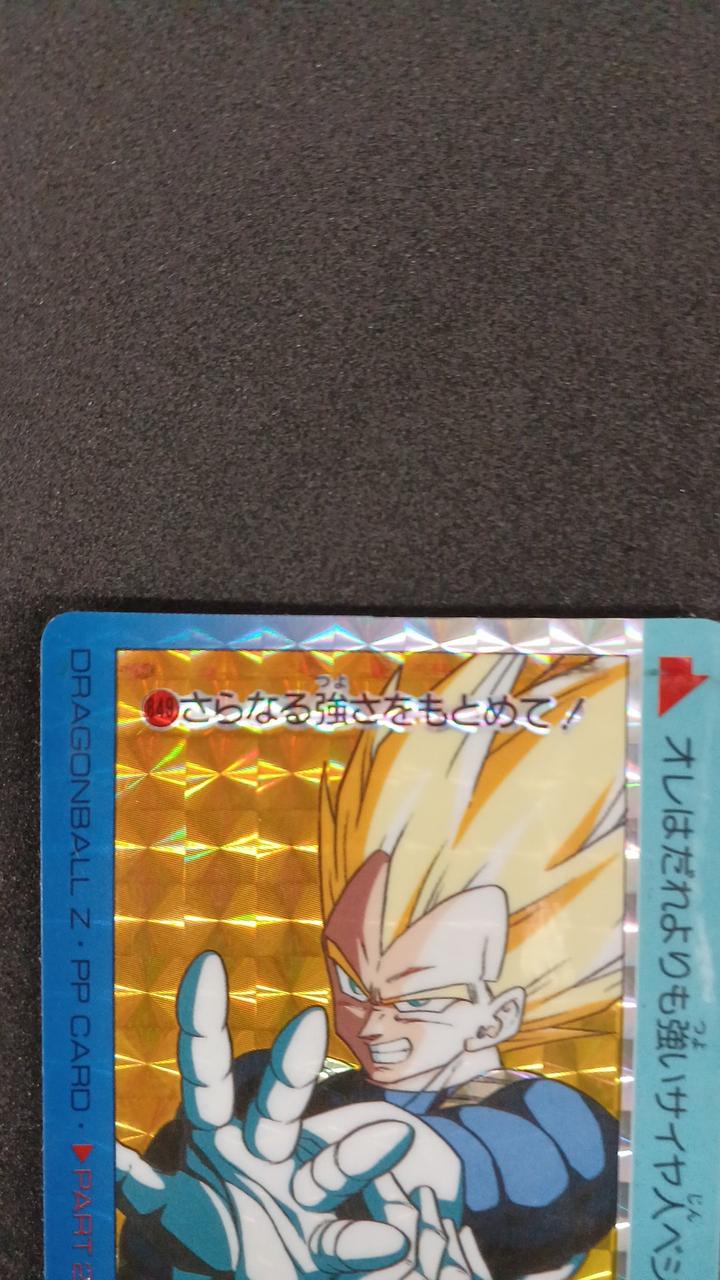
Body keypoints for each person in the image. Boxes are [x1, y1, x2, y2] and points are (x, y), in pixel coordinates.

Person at [118, 652, 627, 1280]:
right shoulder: (260, 1096)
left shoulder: (553, 1122)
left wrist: (390, 1149)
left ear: (497, 1017)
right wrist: (192, 1246)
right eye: (352, 983)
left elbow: (534, 1162)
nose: (373, 1023)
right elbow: (159, 1221)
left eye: (417, 1001)